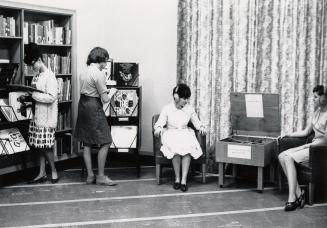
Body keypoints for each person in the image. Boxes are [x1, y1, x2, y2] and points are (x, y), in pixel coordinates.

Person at [278, 85, 327, 211]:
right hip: (311, 147)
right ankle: (300, 194)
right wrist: (289, 134)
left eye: (316, 97)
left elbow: (326, 140)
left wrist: (305, 146)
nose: (313, 99)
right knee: (281, 156)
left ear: (323, 97)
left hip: (320, 151)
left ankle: (292, 198)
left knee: (288, 158)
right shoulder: (317, 112)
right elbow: (306, 132)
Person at [74, 47, 117, 186]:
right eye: (106, 60)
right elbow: (104, 99)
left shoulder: (84, 71)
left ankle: (90, 176)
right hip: (93, 106)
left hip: (83, 105)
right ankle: (101, 176)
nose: (106, 63)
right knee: (106, 141)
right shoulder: (99, 74)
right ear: (100, 59)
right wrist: (112, 92)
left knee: (87, 142)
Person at [154, 83, 206, 192]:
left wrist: (201, 127)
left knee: (187, 150)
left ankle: (183, 180)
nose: (186, 101)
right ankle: (177, 178)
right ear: (176, 97)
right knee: (175, 151)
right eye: (184, 98)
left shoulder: (189, 109)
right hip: (171, 133)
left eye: (187, 99)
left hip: (185, 133)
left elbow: (197, 122)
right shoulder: (167, 108)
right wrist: (158, 128)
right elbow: (160, 123)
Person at [23, 42, 59, 184]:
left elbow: (52, 97)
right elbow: (35, 92)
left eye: (33, 64)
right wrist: (28, 95)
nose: (32, 68)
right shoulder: (37, 75)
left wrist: (33, 96)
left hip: (47, 117)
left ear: (39, 59)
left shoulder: (49, 76)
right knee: (40, 146)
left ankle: (54, 170)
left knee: (46, 147)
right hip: (37, 116)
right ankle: (42, 172)